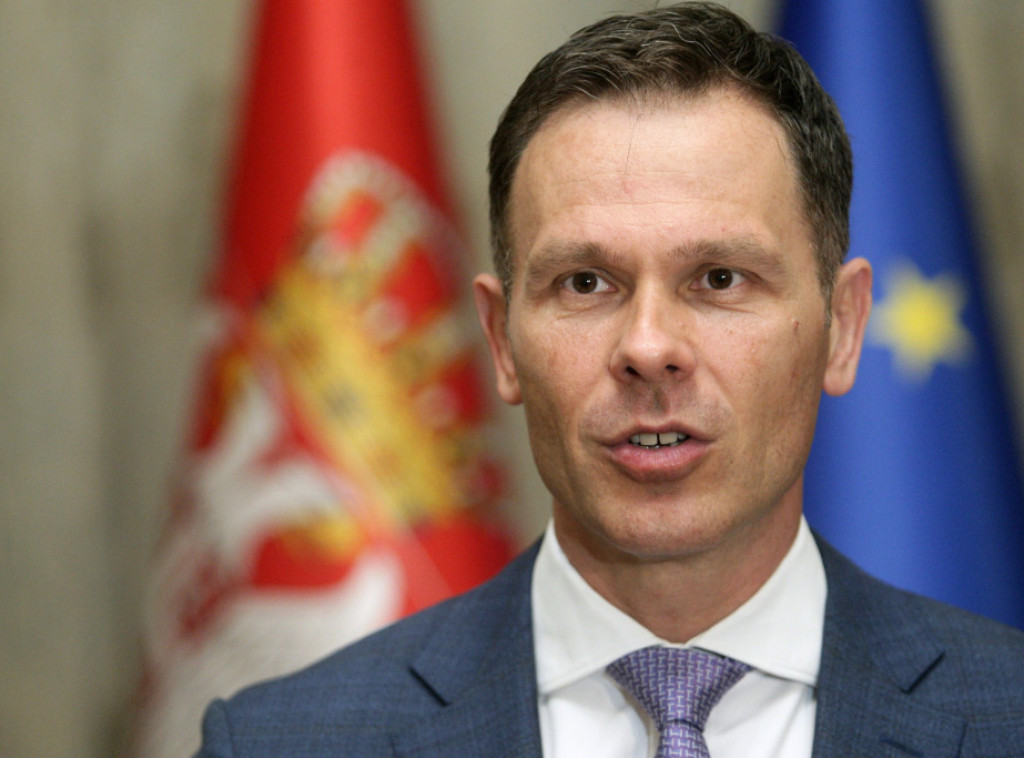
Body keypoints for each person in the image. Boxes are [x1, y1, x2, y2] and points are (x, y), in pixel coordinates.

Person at [196, 3, 1024, 755]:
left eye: (720, 279)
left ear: (842, 327)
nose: (649, 347)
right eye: (586, 283)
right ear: (502, 340)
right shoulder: (278, 744)